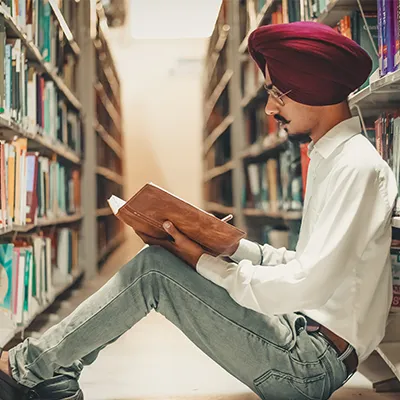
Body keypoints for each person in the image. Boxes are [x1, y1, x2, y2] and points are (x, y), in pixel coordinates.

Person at [0, 21, 396, 400]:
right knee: (160, 259)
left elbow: (305, 285)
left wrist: (204, 261)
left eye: (278, 94)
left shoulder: (356, 168)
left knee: (154, 270)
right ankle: (53, 371)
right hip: (300, 333)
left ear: (312, 90)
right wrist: (219, 244)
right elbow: (305, 265)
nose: (270, 110)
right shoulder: (333, 158)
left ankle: (24, 369)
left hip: (308, 366)